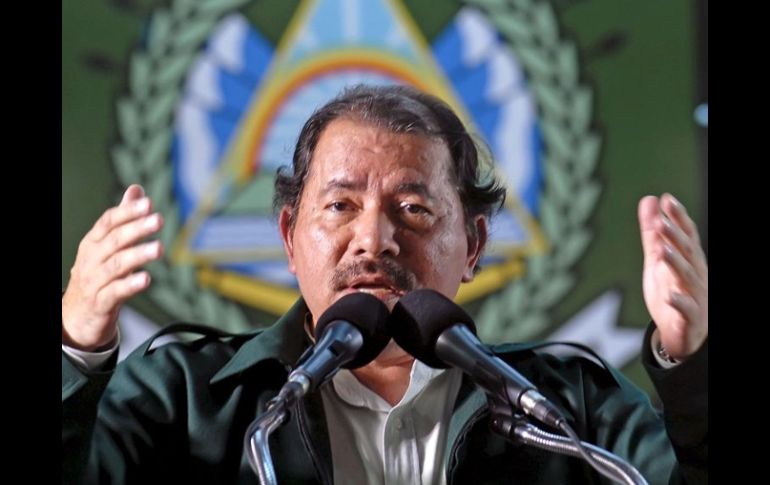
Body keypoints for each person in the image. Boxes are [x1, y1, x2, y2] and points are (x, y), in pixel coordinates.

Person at [62, 84, 708, 484]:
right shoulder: (182, 398)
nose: (374, 239)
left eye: (414, 209)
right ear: (290, 237)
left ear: (473, 246)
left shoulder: (573, 407)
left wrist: (693, 364)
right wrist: (74, 349)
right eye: (340, 206)